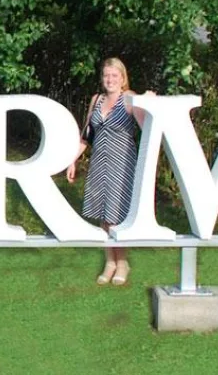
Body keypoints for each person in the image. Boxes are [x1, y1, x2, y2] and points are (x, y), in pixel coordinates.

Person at [67, 57, 147, 286]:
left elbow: (147, 128)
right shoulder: (97, 99)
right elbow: (87, 135)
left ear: (123, 78)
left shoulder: (130, 98)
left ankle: (122, 262)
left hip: (123, 163)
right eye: (106, 75)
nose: (110, 80)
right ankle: (109, 261)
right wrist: (73, 160)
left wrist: (148, 101)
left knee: (117, 215)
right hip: (99, 162)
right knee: (103, 215)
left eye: (114, 75)